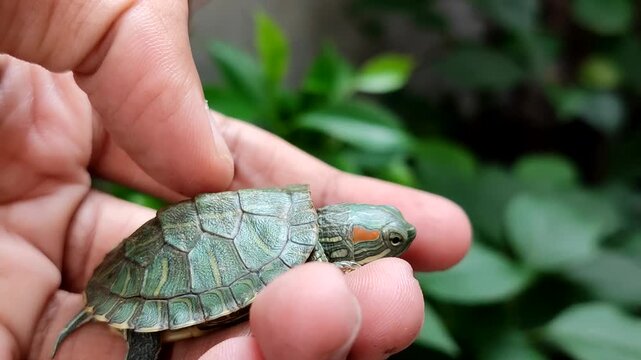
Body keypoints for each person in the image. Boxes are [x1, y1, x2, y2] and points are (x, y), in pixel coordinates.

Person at [0, 1, 471, 359]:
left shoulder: (295, 226)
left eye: (391, 235)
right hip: (140, 283)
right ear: (355, 239)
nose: (398, 240)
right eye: (388, 238)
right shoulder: (293, 233)